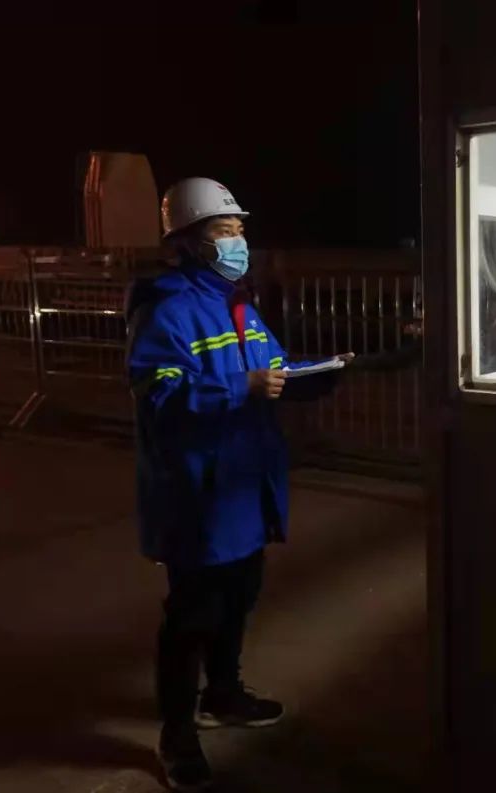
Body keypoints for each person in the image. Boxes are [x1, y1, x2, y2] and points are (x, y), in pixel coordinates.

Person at [125, 177, 353, 792]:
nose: (239, 242)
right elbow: (159, 397)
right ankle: (177, 735)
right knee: (191, 616)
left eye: (240, 230)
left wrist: (323, 372)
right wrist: (241, 387)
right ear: (188, 243)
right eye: (225, 231)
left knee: (238, 599)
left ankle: (223, 695)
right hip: (198, 493)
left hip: (245, 488)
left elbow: (273, 369)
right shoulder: (166, 309)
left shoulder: (240, 306)